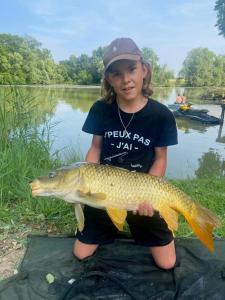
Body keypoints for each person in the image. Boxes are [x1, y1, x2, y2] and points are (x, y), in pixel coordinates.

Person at [73, 37, 178, 270]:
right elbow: (96, 147)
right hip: (106, 191)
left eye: (131, 69)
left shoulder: (162, 115)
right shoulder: (101, 109)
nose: (126, 80)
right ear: (108, 79)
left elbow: (160, 159)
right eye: (116, 74)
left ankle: (148, 225)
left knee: (167, 263)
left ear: (144, 70)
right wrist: (88, 183)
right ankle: (111, 223)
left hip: (142, 193)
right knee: (81, 254)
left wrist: (151, 196)